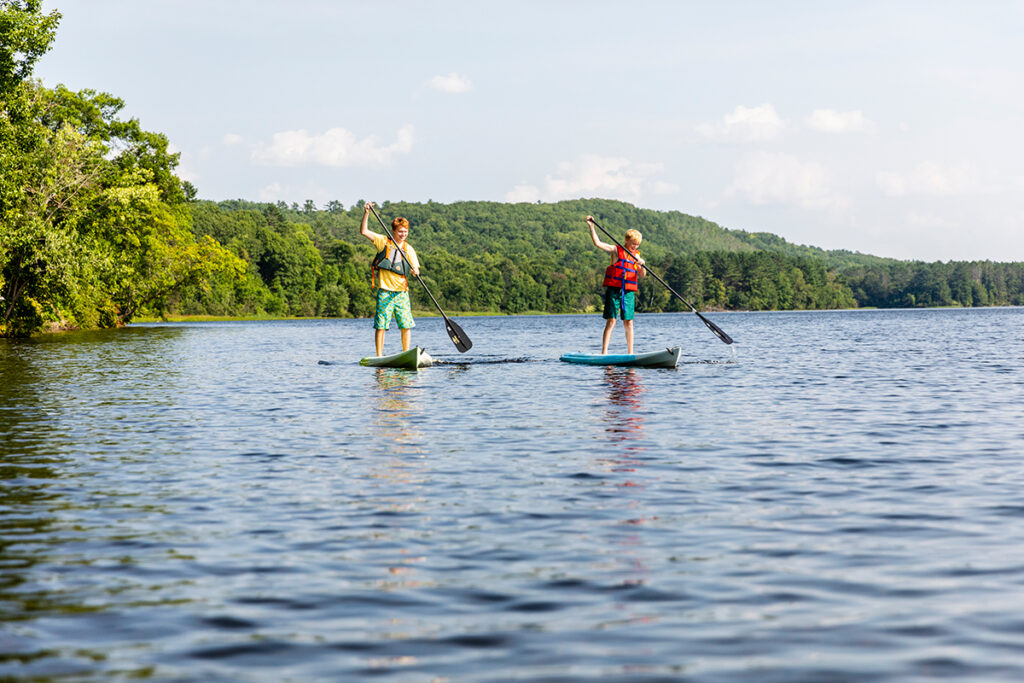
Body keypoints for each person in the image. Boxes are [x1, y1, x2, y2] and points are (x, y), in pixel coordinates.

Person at [360, 202, 421, 356]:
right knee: (381, 325)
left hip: (402, 293)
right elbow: (364, 231)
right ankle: (379, 356)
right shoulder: (383, 242)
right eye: (400, 231)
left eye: (405, 231)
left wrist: (415, 271)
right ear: (394, 231)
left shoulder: (409, 249)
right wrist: (367, 212)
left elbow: (416, 269)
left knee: (406, 325)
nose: (403, 234)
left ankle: (406, 353)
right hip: (385, 292)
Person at [587, 215, 646, 355]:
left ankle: (630, 353)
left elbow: (642, 275)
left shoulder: (636, 256)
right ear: (626, 240)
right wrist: (591, 226)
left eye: (637, 244)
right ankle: (604, 353)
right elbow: (598, 243)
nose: (635, 246)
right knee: (611, 320)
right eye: (633, 243)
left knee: (629, 322)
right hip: (615, 290)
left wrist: (642, 265)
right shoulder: (616, 250)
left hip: (628, 292)